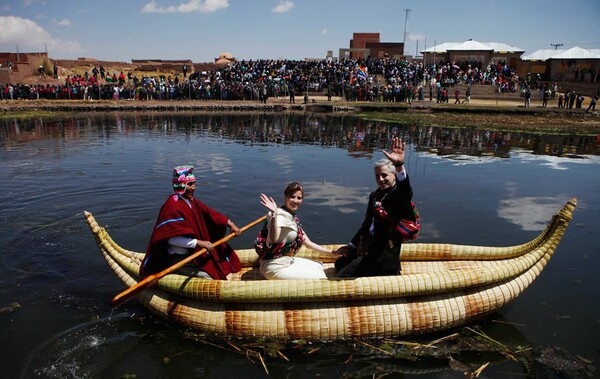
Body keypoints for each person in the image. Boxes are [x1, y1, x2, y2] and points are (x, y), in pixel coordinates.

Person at [335, 137, 420, 277]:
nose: (380, 179)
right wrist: (351, 246)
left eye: (384, 175)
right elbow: (367, 224)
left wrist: (399, 166)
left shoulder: (399, 196)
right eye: (377, 176)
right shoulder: (374, 196)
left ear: (393, 175)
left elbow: (406, 191)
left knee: (342, 276)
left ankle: (390, 272)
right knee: (339, 264)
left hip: (384, 256)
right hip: (369, 247)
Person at [140, 165, 242, 280]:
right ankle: (176, 272)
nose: (194, 187)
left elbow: (211, 214)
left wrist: (230, 223)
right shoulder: (172, 207)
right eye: (189, 184)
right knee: (213, 277)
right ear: (181, 185)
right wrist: (199, 242)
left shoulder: (191, 201)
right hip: (179, 258)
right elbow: (171, 239)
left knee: (222, 263)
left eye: (194, 183)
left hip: (192, 253)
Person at [255, 182, 337, 280]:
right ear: (285, 197)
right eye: (292, 197)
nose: (295, 201)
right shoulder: (278, 215)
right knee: (320, 278)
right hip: (274, 267)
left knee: (318, 265)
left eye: (299, 198)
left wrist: (333, 252)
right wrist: (273, 214)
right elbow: (274, 238)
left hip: (287, 261)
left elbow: (308, 243)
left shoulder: (292, 216)